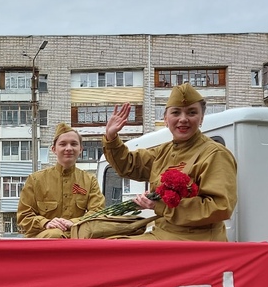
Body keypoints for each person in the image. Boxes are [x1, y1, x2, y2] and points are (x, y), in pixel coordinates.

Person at [102, 82, 237, 241]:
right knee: (108, 246)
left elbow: (219, 207)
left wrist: (158, 205)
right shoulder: (163, 152)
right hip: (162, 234)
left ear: (201, 118)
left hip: (197, 241)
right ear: (166, 119)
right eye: (176, 113)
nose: (183, 119)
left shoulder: (215, 154)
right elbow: (129, 164)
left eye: (191, 112)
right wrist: (111, 138)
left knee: (115, 253)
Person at [17, 123, 105, 238]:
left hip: (77, 238)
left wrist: (74, 222)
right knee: (55, 234)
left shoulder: (89, 181)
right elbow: (23, 217)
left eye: (74, 144)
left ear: (80, 149)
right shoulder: (35, 180)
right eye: (63, 144)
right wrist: (46, 223)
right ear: (54, 149)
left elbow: (98, 213)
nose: (68, 148)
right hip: (43, 244)